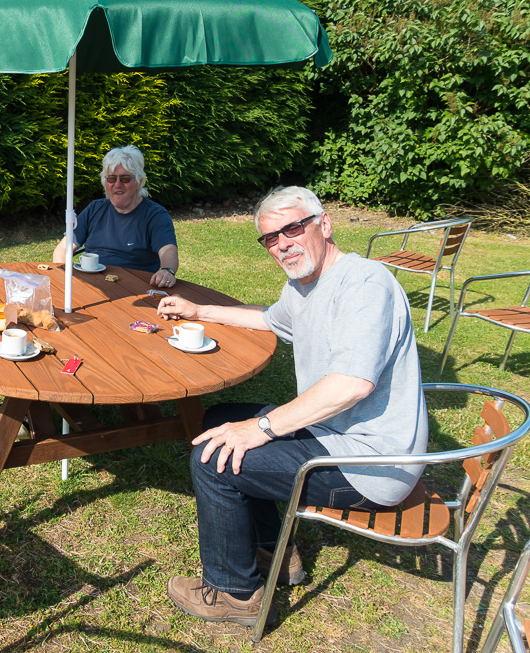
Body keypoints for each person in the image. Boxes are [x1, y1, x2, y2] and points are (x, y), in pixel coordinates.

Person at [156, 186, 427, 625]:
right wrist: (197, 309)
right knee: (220, 418)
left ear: (324, 224)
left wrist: (261, 428)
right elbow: (267, 318)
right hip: (336, 434)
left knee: (212, 458)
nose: (283, 244)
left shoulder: (365, 283)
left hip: (372, 466)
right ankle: (270, 552)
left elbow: (351, 385)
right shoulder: (304, 286)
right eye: (270, 238)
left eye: (293, 228)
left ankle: (234, 593)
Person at [52, 145, 179, 288]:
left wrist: (167, 270)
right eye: (111, 179)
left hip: (136, 288)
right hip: (91, 286)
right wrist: (63, 277)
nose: (117, 184)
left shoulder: (155, 215)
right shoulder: (95, 208)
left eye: (125, 179)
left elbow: (168, 250)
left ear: (138, 182)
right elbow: (63, 248)